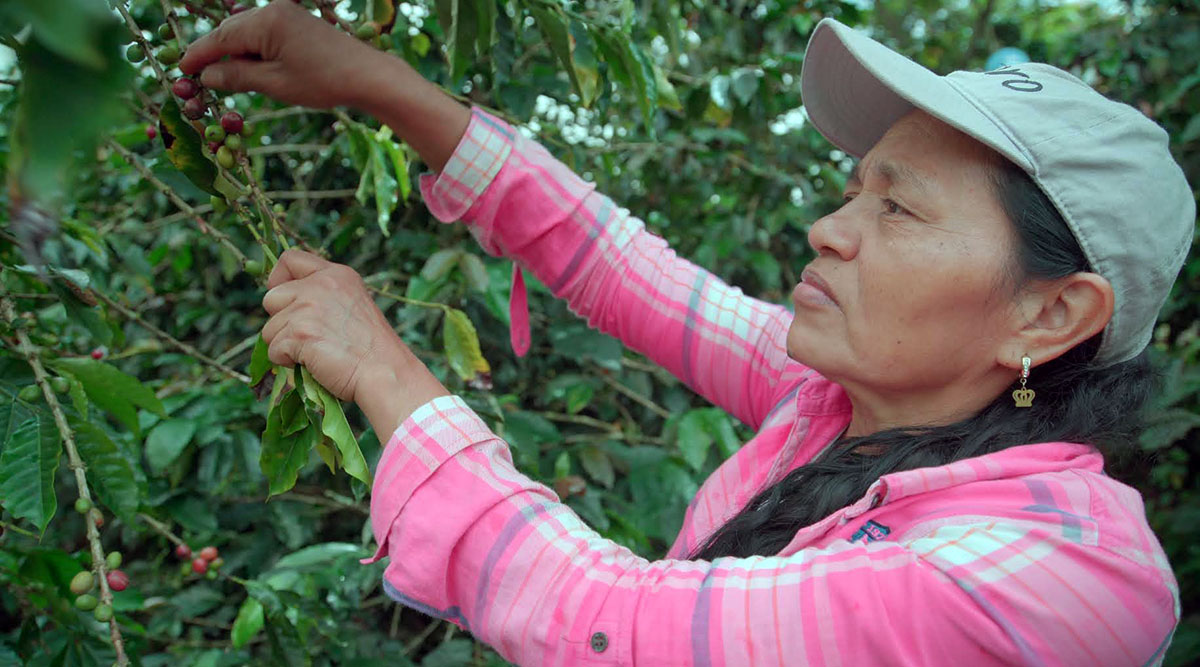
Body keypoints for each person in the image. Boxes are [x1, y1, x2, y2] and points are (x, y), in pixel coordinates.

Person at [181, 2, 1194, 664]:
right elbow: (627, 271)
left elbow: (612, 627)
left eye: (898, 208)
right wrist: (373, 82)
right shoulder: (840, 405)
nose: (830, 229)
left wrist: (382, 367)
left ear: (1049, 314)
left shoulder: (1064, 574)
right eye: (853, 191)